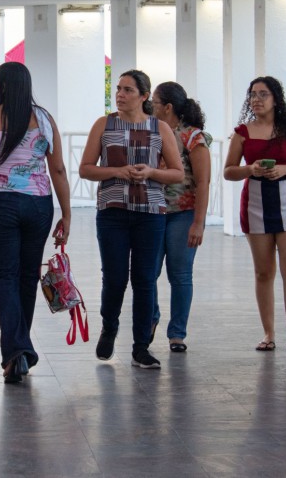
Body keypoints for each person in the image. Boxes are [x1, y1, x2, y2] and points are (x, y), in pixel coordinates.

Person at [0, 62, 71, 384]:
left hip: (0, 204)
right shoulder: (46, 120)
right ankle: (17, 353)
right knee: (25, 276)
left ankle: (17, 350)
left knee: (2, 277)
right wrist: (66, 212)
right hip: (39, 205)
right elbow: (59, 170)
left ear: (5, 86)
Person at [80, 70, 183, 369]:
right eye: (119, 89)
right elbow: (86, 168)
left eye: (127, 90)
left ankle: (141, 347)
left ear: (144, 95)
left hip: (150, 214)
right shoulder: (104, 124)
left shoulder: (159, 128)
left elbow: (177, 173)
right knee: (114, 278)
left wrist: (151, 173)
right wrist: (116, 171)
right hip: (112, 212)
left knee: (145, 280)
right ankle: (109, 326)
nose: (120, 95)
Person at [223, 76, 286, 353]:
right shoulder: (242, 132)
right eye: (253, 94)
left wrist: (284, 169)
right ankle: (268, 333)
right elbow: (228, 171)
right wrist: (250, 170)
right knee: (263, 272)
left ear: (276, 99)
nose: (257, 99)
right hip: (256, 205)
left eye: (263, 94)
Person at [151, 82, 211, 353]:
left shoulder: (192, 137)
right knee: (147, 273)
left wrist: (198, 223)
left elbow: (203, 182)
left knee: (180, 275)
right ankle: (151, 318)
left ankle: (177, 334)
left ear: (168, 107)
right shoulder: (151, 132)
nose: (149, 107)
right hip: (152, 212)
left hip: (183, 215)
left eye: (153, 103)